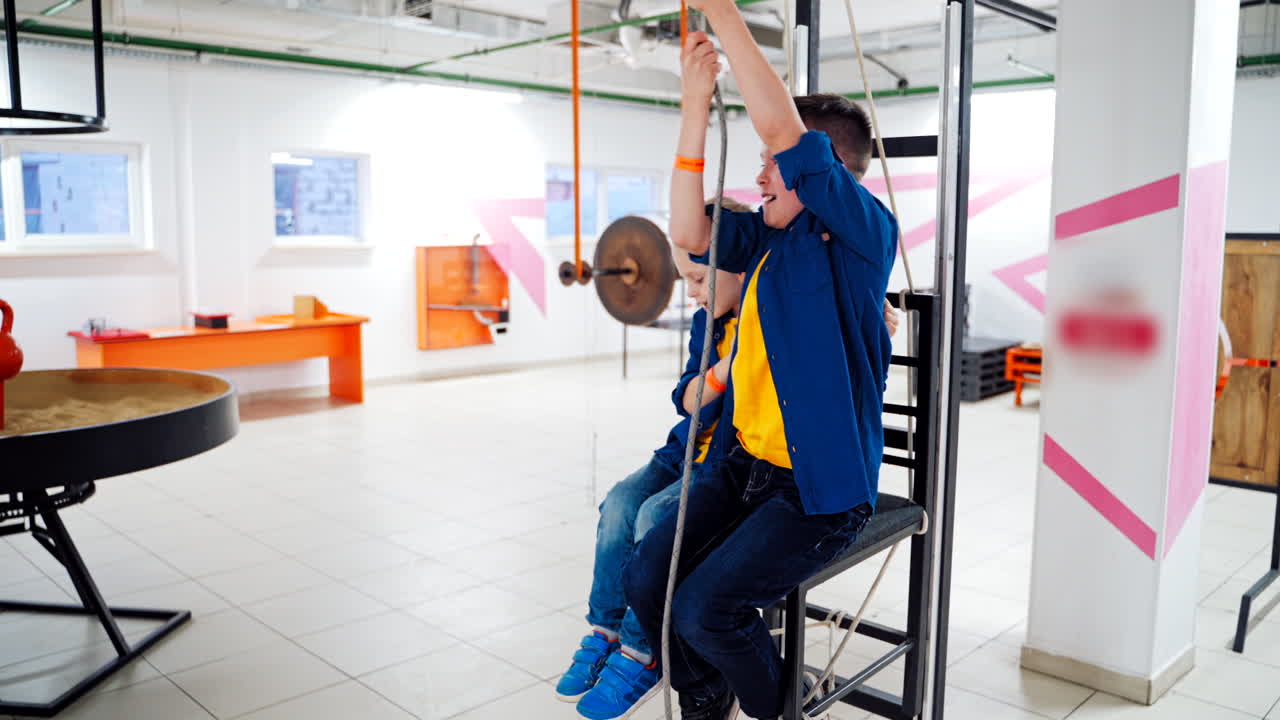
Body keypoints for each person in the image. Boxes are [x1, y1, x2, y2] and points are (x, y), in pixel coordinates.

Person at [622, 2, 899, 718]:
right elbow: (687, 231)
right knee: (651, 573)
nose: (761, 175)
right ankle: (707, 703)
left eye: (773, 166)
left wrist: (723, 12)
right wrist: (693, 107)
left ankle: (778, 710)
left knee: (704, 610)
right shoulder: (766, 241)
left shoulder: (866, 232)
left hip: (816, 493)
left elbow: (783, 129)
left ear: (824, 172)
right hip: (742, 466)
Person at [557, 200, 748, 720]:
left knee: (653, 517)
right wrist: (719, 373)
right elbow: (686, 396)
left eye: (698, 279)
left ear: (740, 265)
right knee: (619, 503)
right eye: (685, 278)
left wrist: (715, 381)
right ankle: (605, 628)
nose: (691, 293)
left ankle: (643, 653)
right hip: (683, 449)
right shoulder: (708, 323)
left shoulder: (766, 323)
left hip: (727, 466)